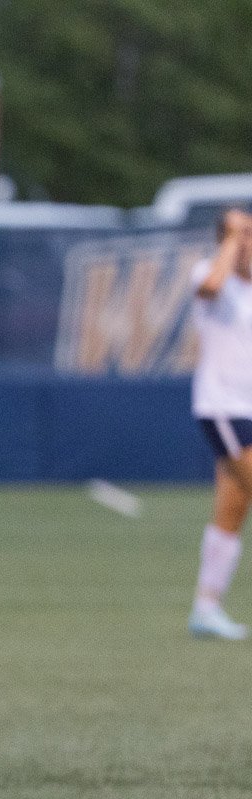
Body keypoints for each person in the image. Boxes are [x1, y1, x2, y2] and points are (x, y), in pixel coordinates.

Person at [187, 207, 252, 640]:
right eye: (241, 233)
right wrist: (230, 239)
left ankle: (206, 609)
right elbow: (210, 286)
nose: (248, 241)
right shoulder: (210, 275)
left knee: (232, 508)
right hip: (224, 409)